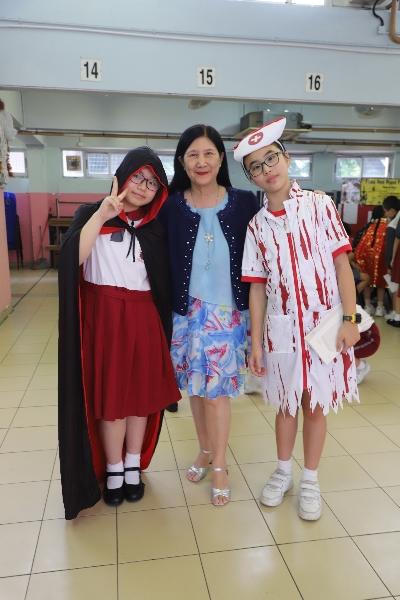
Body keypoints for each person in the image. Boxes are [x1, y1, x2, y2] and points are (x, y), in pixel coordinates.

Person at [236, 117, 360, 521]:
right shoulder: (257, 227)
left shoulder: (320, 206)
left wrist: (349, 318)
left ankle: (310, 479)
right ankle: (283, 471)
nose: (266, 169)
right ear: (251, 177)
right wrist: (255, 342)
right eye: (256, 166)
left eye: (271, 158)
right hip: (282, 332)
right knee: (286, 405)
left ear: (286, 158)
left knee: (315, 404)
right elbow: (257, 289)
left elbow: (341, 265)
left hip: (324, 326)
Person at [58, 147, 181, 519]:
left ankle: (132, 465)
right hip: (105, 320)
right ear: (122, 175)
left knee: (140, 398)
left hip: (143, 318)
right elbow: (72, 260)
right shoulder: (91, 214)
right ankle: (113, 469)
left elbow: (165, 282)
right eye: (137, 177)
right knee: (111, 401)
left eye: (152, 183)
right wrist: (103, 215)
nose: (143, 187)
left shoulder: (156, 228)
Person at [158, 124, 259, 506]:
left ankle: (220, 465)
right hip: (185, 314)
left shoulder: (244, 202)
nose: (201, 162)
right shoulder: (171, 206)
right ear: (182, 161)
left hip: (227, 315)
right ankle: (204, 449)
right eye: (193, 155)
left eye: (208, 154)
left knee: (217, 395)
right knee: (196, 391)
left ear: (220, 159)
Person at [353, 205, 387, 316]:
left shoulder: (368, 227)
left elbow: (359, 247)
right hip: (381, 259)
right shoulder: (387, 226)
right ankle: (380, 307)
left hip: (365, 259)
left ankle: (367, 306)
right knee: (381, 283)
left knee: (367, 281)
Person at [382, 195, 400, 324]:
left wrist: (390, 262)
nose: (385, 214)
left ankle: (396, 314)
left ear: (393, 210)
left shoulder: (394, 224)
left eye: (386, 211)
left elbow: (391, 245)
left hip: (397, 259)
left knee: (395, 287)